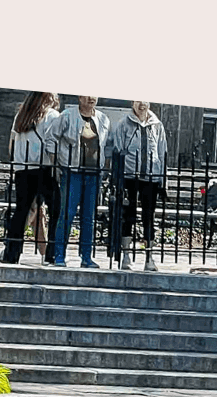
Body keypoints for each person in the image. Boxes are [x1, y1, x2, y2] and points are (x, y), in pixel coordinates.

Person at [0, 92, 61, 265]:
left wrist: (18, 161)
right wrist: (57, 167)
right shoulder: (52, 115)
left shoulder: (21, 115)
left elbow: (12, 143)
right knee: (56, 210)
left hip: (22, 168)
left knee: (22, 210)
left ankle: (12, 252)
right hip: (43, 167)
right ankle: (51, 253)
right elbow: (52, 144)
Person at [50, 95, 111, 268]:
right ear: (79, 96)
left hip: (93, 174)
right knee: (67, 214)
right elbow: (51, 139)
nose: (91, 97)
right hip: (72, 172)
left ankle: (86, 257)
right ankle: (59, 255)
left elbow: (108, 146)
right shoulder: (67, 116)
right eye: (87, 93)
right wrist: (56, 165)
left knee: (89, 217)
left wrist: (104, 169)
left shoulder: (103, 119)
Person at [109, 100, 167, 271]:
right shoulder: (123, 124)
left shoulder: (157, 125)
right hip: (129, 177)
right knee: (129, 216)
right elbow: (118, 150)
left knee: (149, 218)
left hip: (151, 178)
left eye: (145, 100)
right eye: (138, 100)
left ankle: (150, 257)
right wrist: (117, 179)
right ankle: (126, 255)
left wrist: (163, 180)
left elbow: (162, 152)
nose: (142, 104)